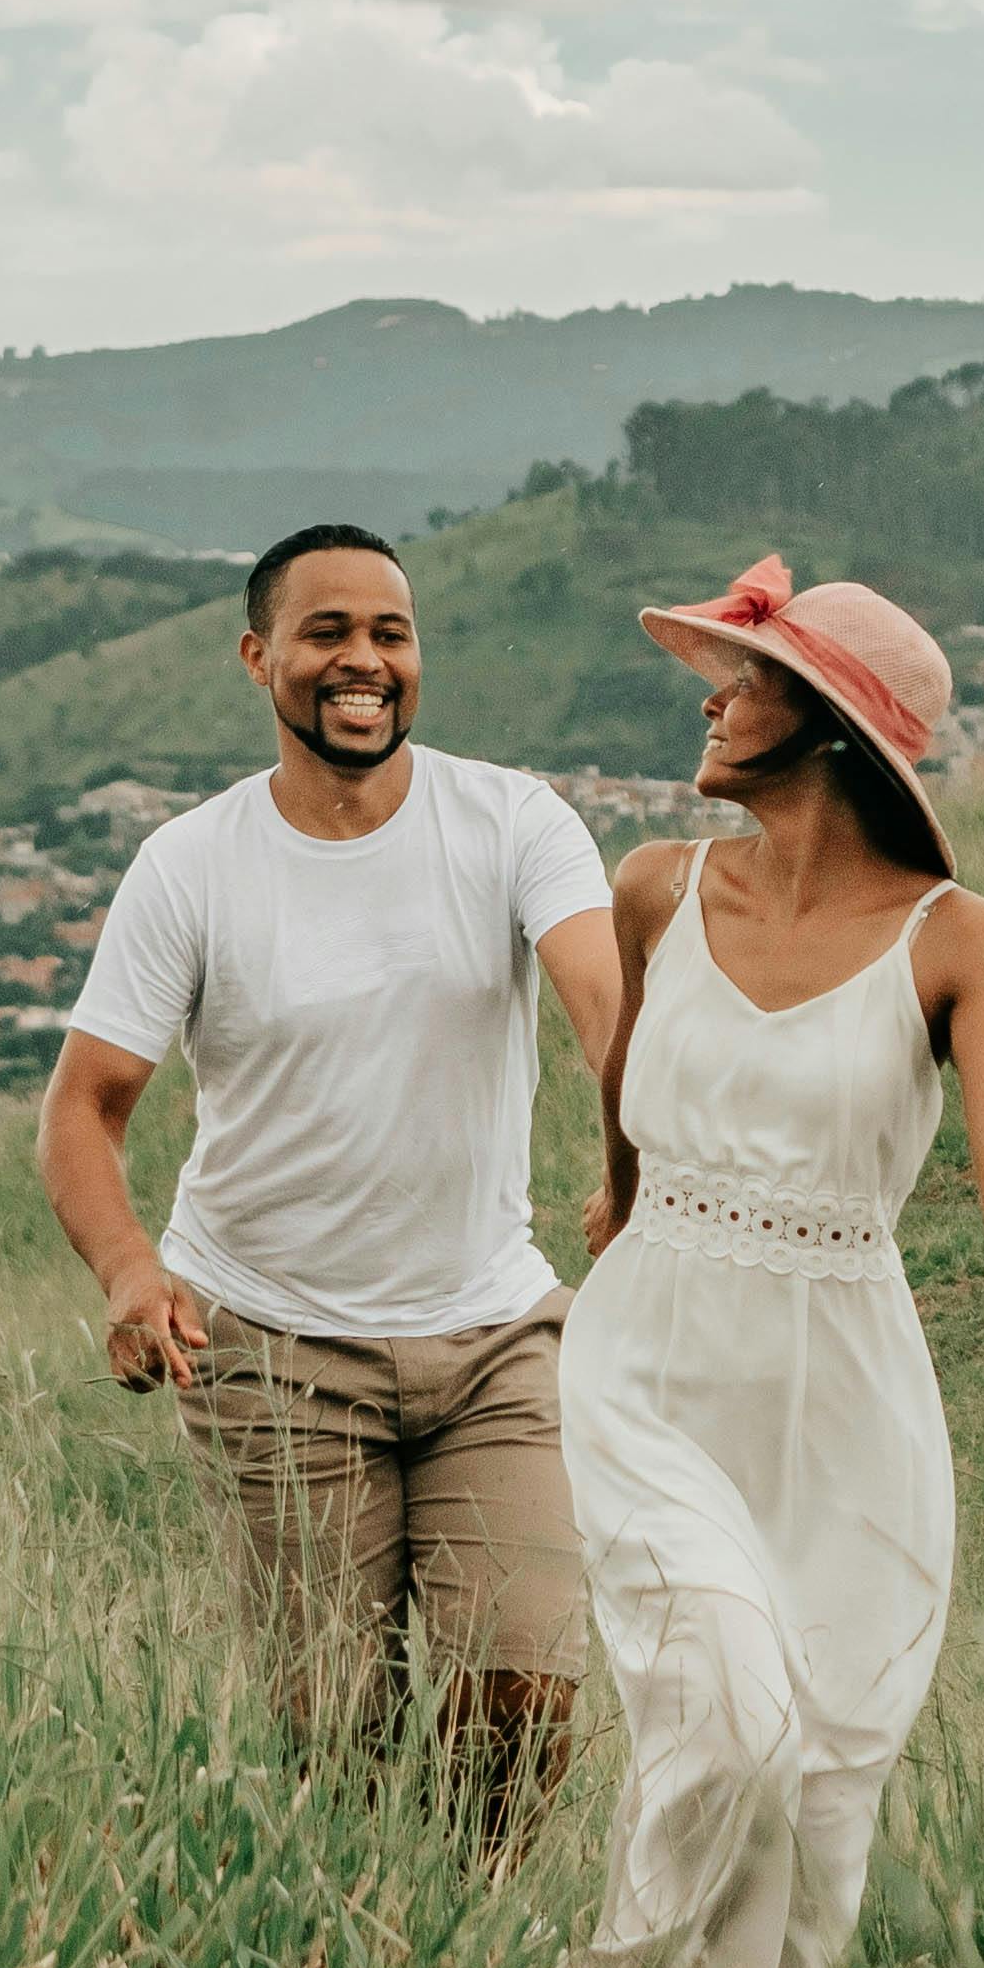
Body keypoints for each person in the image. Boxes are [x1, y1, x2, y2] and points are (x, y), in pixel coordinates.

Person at [561, 553, 984, 1968]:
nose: (708, 695)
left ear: (831, 734)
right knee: (725, 1712)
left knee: (818, 1775)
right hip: (657, 1356)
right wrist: (615, 1197)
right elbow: (620, 1082)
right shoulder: (656, 887)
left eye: (742, 675)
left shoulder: (961, 942)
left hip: (848, 1389)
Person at [40, 522, 623, 1849]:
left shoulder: (515, 820)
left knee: (523, 1697)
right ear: (260, 660)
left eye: (391, 634)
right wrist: (132, 1273)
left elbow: (604, 998)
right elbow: (83, 1106)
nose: (364, 660)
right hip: (273, 1350)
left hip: (495, 1341)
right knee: (333, 1739)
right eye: (328, 633)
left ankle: (470, 1963)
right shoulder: (192, 864)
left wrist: (634, 1138)